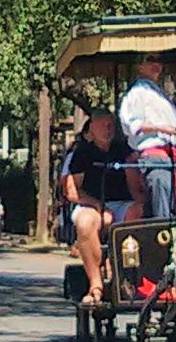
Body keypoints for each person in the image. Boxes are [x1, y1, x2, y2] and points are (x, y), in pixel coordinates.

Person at [56, 111, 136, 302]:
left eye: (110, 125)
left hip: (122, 203)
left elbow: (134, 184)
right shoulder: (82, 153)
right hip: (90, 204)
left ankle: (126, 278)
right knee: (85, 223)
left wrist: (141, 201)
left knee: (137, 216)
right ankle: (95, 283)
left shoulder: (123, 150)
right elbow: (72, 191)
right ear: (91, 127)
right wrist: (97, 205)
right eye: (102, 125)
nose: (107, 129)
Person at [117, 56, 176, 220]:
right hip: (155, 157)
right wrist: (163, 129)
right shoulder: (137, 92)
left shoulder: (160, 93)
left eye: (159, 60)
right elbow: (132, 125)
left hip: (172, 157)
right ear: (139, 66)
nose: (156, 64)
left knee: (173, 210)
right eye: (150, 60)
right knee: (160, 212)